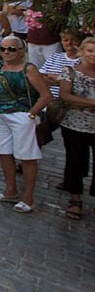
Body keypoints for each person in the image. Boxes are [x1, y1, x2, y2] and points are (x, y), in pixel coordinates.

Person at [0, 36, 52, 213]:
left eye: (11, 49)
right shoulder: (0, 66)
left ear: (21, 51)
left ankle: (28, 197)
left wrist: (31, 114)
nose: (6, 52)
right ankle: (10, 190)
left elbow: (46, 95)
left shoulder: (28, 69)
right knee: (4, 152)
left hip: (20, 115)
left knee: (27, 155)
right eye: (3, 48)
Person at [58, 37, 95, 221]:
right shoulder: (71, 71)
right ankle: (75, 199)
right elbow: (65, 95)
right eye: (89, 51)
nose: (93, 55)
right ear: (82, 51)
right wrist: (91, 103)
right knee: (75, 162)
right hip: (75, 124)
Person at [27, 0, 68, 67]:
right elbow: (31, 15)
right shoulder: (37, 1)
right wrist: (39, 3)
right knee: (36, 69)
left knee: (53, 69)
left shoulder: (63, 1)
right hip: (34, 39)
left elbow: (59, 19)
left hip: (51, 40)